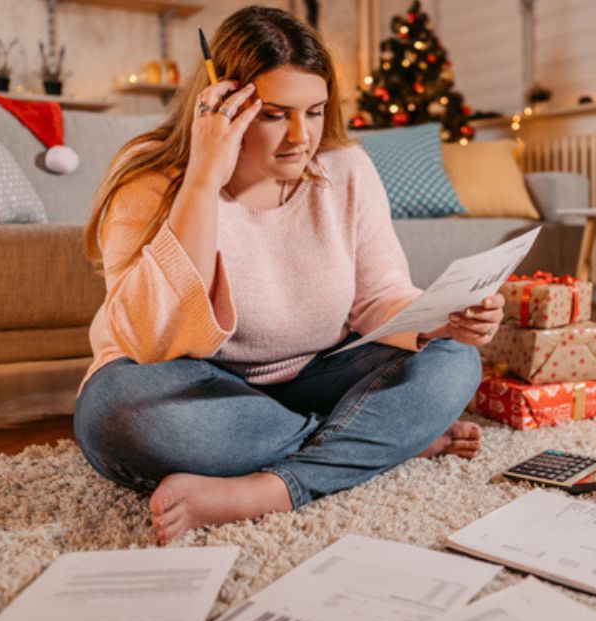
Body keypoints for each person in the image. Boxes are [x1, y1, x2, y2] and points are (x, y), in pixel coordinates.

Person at [73, 6, 503, 545]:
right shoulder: (151, 179)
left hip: (319, 372)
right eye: (275, 114)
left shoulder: (346, 170)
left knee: (455, 360)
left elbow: (381, 297)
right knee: (116, 415)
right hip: (201, 387)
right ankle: (381, 438)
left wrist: (443, 319)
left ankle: (271, 488)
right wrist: (204, 180)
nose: (301, 137)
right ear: (221, 105)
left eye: (316, 112)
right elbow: (146, 338)